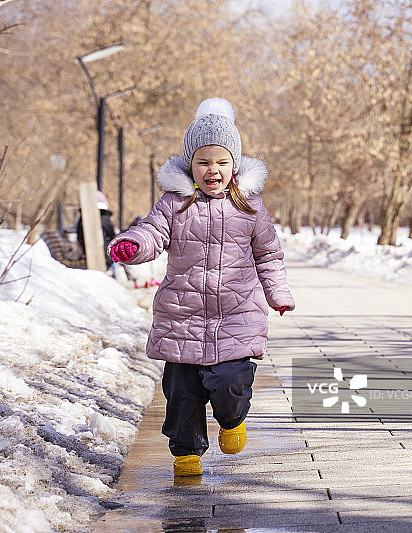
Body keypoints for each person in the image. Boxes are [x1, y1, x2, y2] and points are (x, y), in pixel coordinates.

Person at [107, 98, 295, 477]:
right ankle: (186, 453)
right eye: (204, 162)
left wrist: (278, 294)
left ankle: (231, 418)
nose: (213, 170)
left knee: (229, 380)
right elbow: (151, 232)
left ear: (234, 165)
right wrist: (133, 246)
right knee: (182, 393)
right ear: (190, 165)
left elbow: (269, 255)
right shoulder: (174, 204)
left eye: (222, 162)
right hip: (182, 314)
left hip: (237, 315)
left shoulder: (251, 209)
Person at [76, 191, 116, 268]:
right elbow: (112, 234)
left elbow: (79, 237)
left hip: (88, 255)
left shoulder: (83, 219)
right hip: (104, 256)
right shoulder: (104, 219)